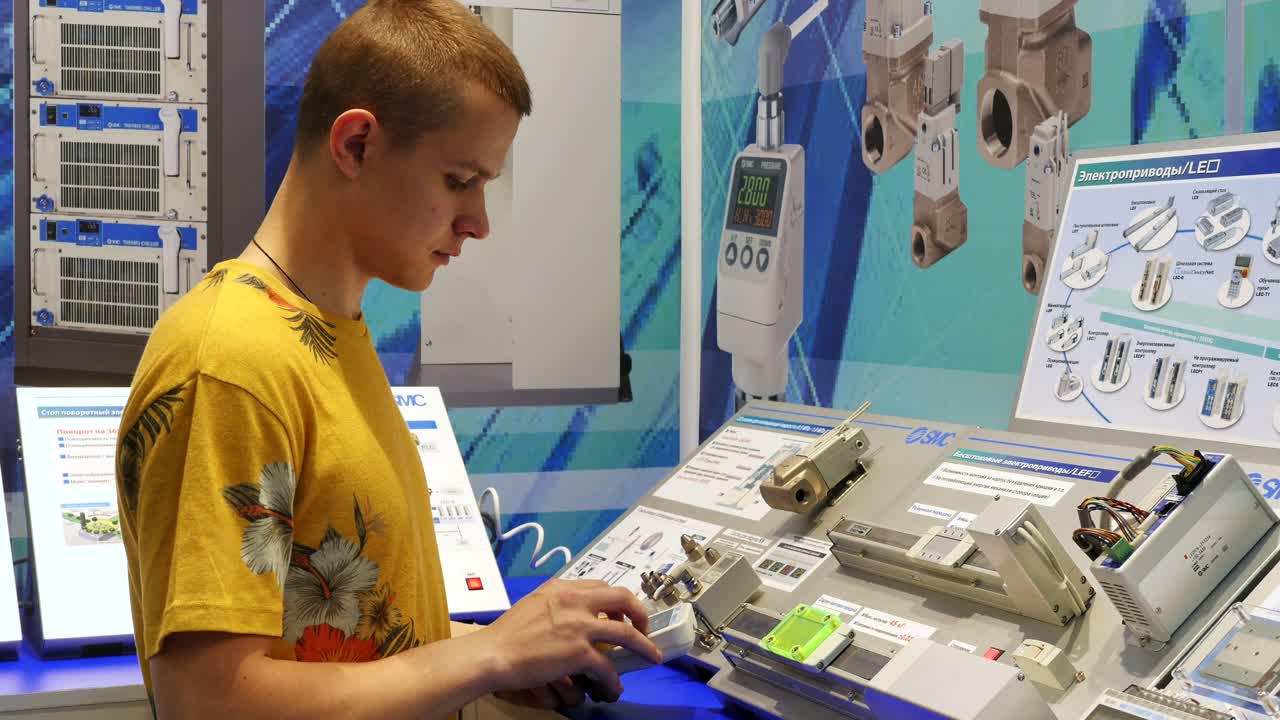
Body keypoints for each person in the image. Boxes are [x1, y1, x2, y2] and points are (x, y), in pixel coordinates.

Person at [113, 1, 659, 718]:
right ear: (357, 145)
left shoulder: (327, 336)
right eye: (459, 180)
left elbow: (340, 638)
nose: (479, 222)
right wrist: (485, 654)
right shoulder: (232, 361)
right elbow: (210, 701)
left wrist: (480, 658)